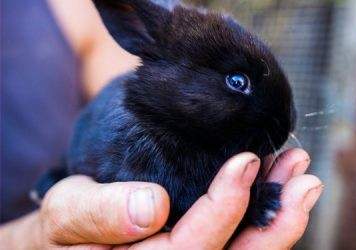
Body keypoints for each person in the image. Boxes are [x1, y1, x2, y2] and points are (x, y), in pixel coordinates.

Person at [0, 1, 323, 249]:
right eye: (238, 81)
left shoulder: (71, 12)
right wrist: (25, 239)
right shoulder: (140, 139)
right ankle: (57, 174)